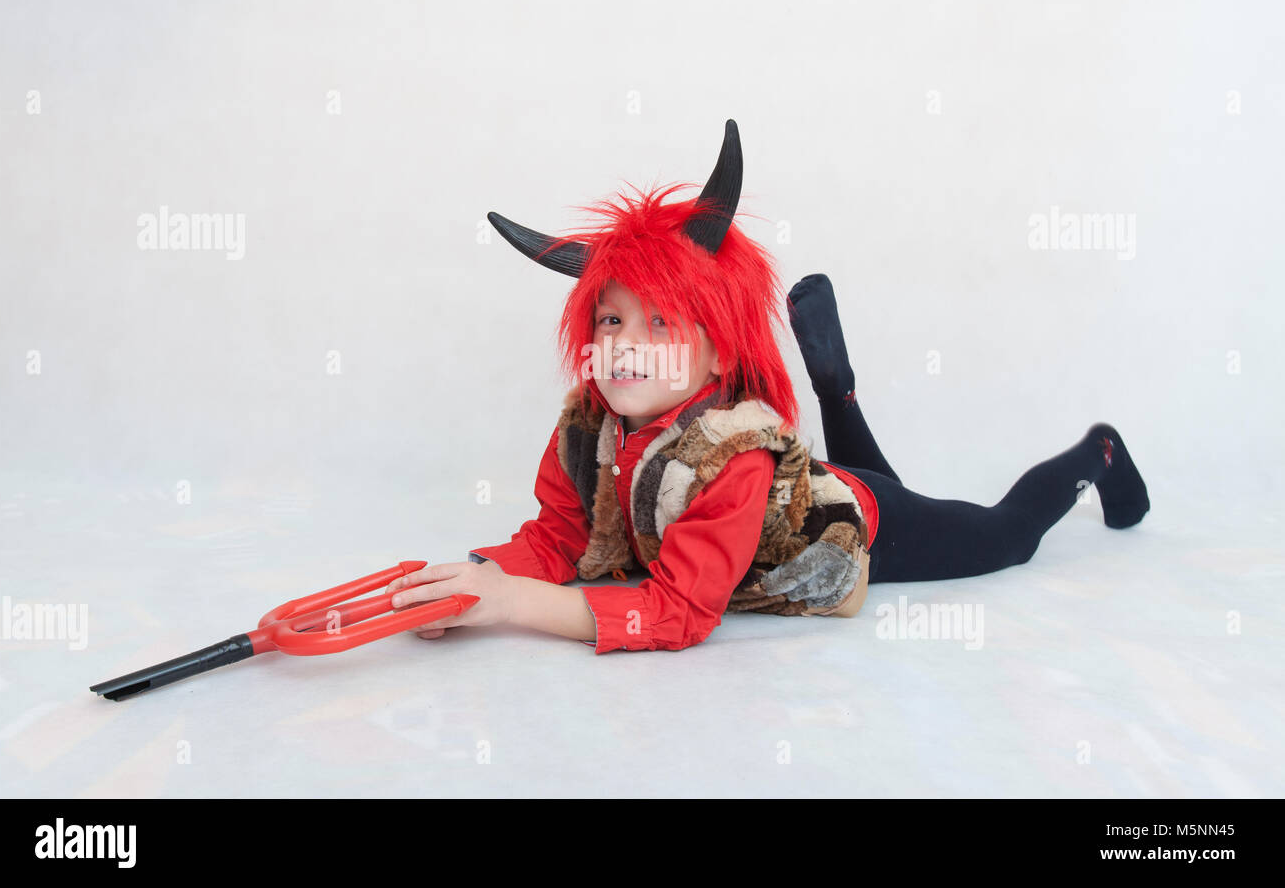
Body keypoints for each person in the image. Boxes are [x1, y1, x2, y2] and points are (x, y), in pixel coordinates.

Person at [388, 119, 1150, 652]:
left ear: (720, 356)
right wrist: (474, 584)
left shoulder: (737, 455)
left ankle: (1100, 452)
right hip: (814, 484)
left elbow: (681, 612)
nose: (624, 347)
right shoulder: (588, 427)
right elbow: (558, 536)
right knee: (876, 473)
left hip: (855, 528)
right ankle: (837, 387)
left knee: (1004, 536)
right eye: (611, 322)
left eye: (659, 325)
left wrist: (516, 606)